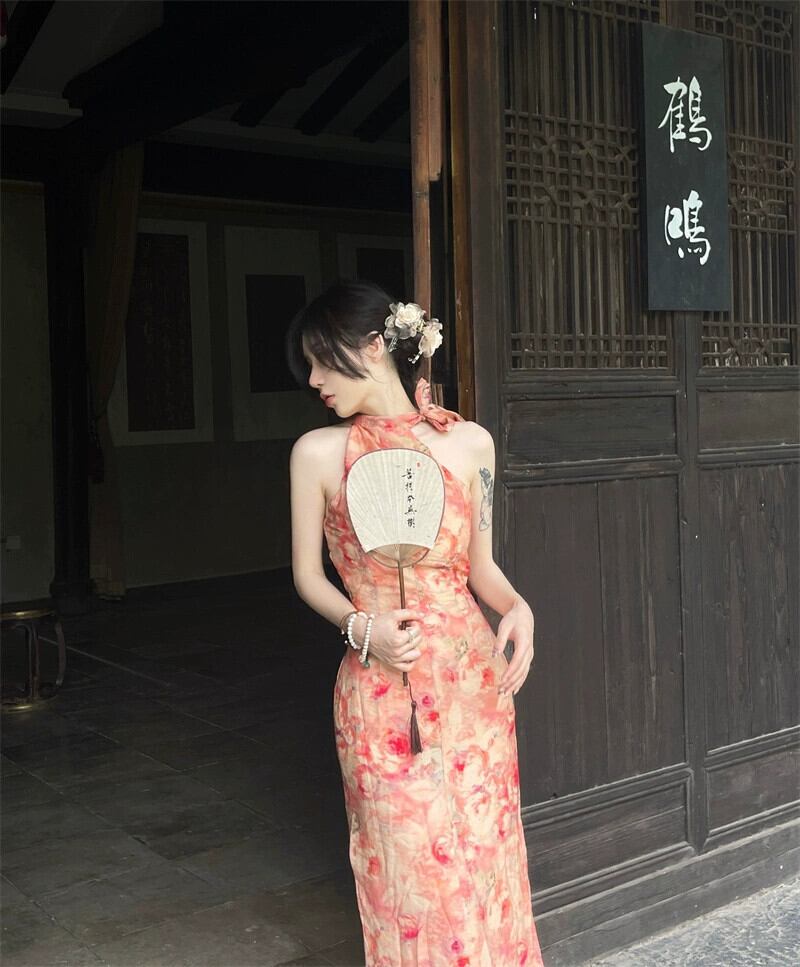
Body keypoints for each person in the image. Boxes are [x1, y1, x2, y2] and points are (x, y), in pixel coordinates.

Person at [286, 279, 544, 967]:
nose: (313, 381)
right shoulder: (315, 454)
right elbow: (308, 575)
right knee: (407, 876)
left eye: (321, 360)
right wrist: (361, 628)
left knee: (487, 859)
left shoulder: (470, 443)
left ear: (374, 346)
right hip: (379, 691)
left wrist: (518, 606)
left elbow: (481, 568)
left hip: (472, 685)